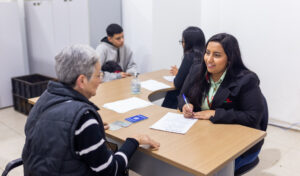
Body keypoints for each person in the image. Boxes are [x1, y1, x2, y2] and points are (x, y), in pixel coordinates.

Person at [22, 44, 160, 176]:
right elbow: (111, 170)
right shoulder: (83, 118)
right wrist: (135, 140)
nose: (100, 81)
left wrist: (92, 129)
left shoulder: (44, 99)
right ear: (82, 81)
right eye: (98, 75)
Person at [178, 33, 268, 174]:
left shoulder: (246, 80)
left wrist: (215, 113)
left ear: (230, 59)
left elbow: (253, 117)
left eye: (217, 55)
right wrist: (185, 105)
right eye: (207, 53)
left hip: (237, 146)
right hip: (204, 139)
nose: (209, 59)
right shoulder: (197, 70)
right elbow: (182, 96)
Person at [162, 26, 205, 109]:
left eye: (183, 41)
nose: (182, 44)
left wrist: (178, 73)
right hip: (200, 98)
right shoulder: (205, 55)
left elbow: (177, 83)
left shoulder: (189, 56)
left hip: (188, 100)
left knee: (171, 92)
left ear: (188, 43)